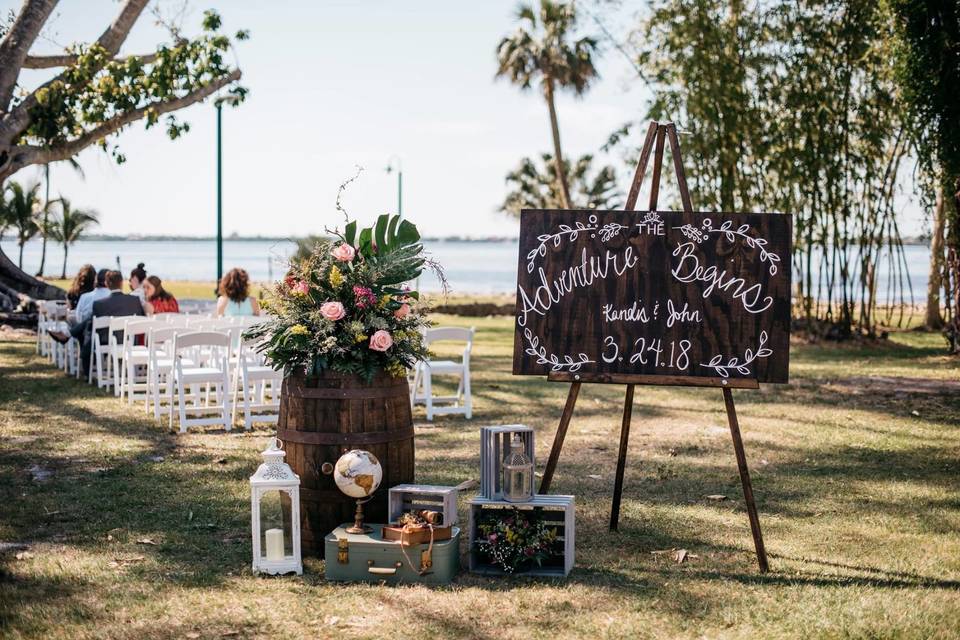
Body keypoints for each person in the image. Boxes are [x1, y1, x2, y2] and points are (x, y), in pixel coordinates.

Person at [50, 270, 143, 374]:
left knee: (89, 322)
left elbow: (91, 326)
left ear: (107, 284)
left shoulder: (99, 304)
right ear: (122, 283)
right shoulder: (134, 301)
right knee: (89, 322)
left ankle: (68, 335)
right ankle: (68, 335)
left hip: (105, 340)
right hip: (129, 340)